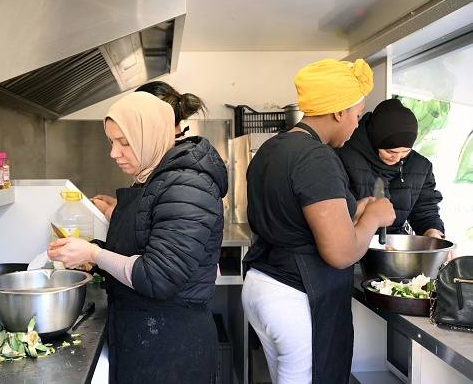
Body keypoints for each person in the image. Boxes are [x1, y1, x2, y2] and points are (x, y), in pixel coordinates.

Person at [47, 91, 228, 384]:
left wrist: (95, 256)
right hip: (145, 335)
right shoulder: (153, 178)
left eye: (124, 142)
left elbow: (158, 276)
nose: (114, 153)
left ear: (150, 136)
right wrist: (90, 256)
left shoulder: (186, 184)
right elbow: (143, 248)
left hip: (171, 347)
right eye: (111, 142)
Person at [241, 58, 396, 384]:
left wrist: (355, 212)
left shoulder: (272, 148)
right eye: (356, 115)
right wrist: (375, 217)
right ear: (339, 112)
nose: (356, 125)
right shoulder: (316, 157)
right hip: (295, 297)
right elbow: (340, 252)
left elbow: (294, 218)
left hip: (263, 286)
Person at [91, 80, 209, 221]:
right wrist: (120, 206)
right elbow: (151, 212)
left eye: (126, 142)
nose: (114, 153)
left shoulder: (182, 179)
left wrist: (109, 211)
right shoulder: (164, 164)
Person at [335, 98, 445, 238]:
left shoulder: (421, 167)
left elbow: (425, 211)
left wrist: (433, 232)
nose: (397, 158)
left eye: (405, 151)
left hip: (394, 249)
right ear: (375, 140)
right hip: (352, 244)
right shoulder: (341, 156)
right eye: (390, 152)